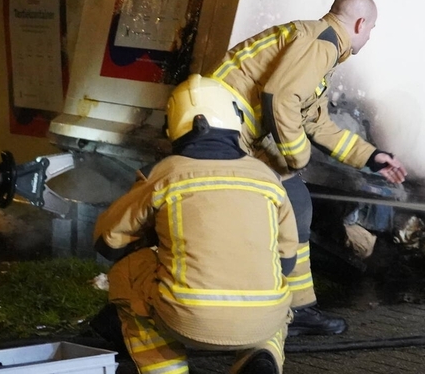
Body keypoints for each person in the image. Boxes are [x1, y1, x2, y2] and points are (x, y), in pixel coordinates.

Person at [209, 0, 407, 336]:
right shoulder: (322, 43)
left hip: (225, 127)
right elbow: (280, 97)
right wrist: (295, 156)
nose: (371, 35)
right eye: (373, 28)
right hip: (220, 129)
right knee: (287, 201)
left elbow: (316, 122)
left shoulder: (319, 45)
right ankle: (281, 308)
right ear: (361, 23)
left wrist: (371, 157)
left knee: (295, 201)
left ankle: (298, 308)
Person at [94, 74, 298, 374]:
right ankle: (262, 354)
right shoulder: (267, 177)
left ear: (173, 126)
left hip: (188, 319)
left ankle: (166, 369)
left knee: (126, 271)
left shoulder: (165, 174)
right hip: (264, 321)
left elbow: (108, 240)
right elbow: (288, 260)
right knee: (272, 284)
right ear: (235, 119)